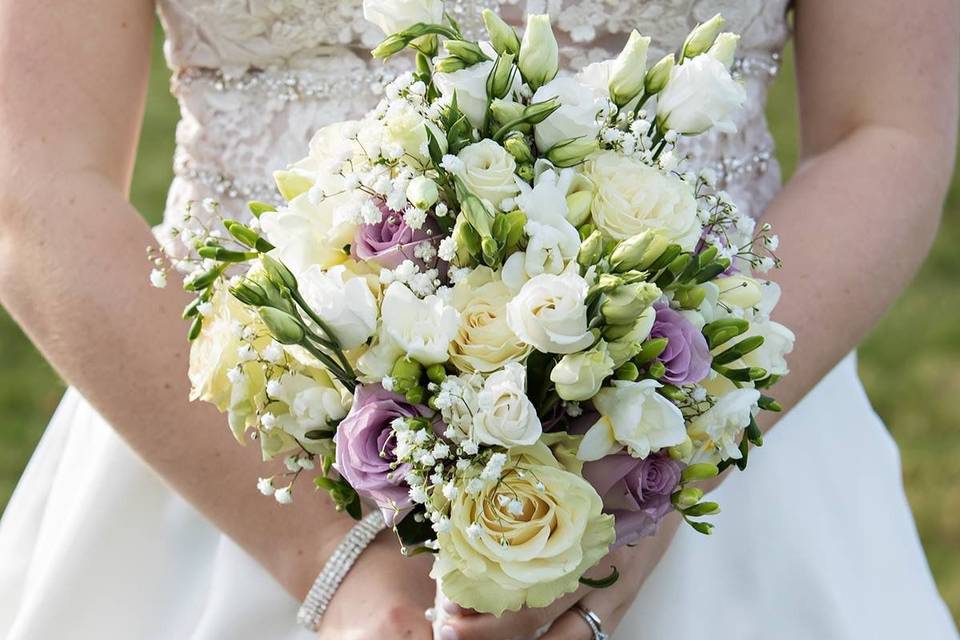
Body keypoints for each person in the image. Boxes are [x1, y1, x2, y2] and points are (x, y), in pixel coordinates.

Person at [0, 1, 957, 638]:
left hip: (722, 470)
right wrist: (335, 567)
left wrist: (643, 501)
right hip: (214, 457)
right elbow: (32, 175)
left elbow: (889, 127)